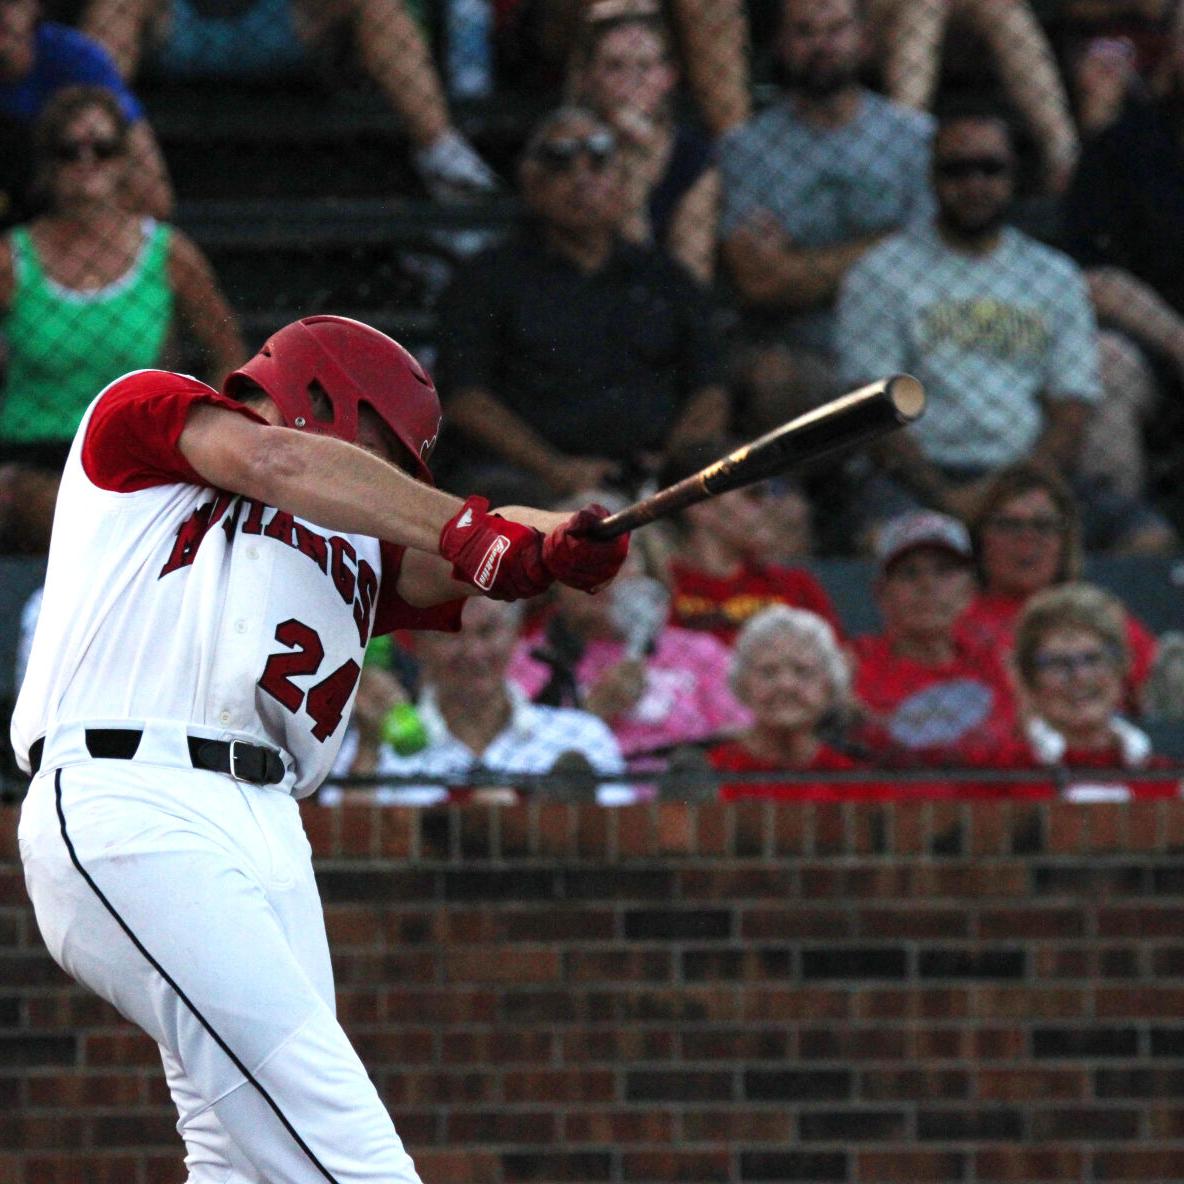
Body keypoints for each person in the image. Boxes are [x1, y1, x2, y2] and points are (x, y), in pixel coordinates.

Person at [13, 313, 629, 1183]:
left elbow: (466, 550)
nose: (389, 475)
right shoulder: (147, 411)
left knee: (241, 1161)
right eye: (386, 448)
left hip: (269, 824)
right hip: (136, 794)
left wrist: (555, 538)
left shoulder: (356, 539)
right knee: (346, 1148)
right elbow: (280, 464)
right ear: (325, 392)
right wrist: (470, 530)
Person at [837, 105, 1173, 552]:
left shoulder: (1053, 275)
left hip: (1030, 471)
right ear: (932, 177)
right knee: (883, 541)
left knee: (1148, 539)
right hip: (920, 476)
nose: (974, 184)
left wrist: (1017, 493)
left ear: (1014, 176)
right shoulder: (881, 272)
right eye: (956, 170)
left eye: (989, 169)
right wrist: (947, 500)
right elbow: (871, 413)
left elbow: (1071, 407)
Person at [433, 104, 729, 497]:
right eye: (559, 163)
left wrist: (674, 465)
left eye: (600, 162)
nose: (581, 178)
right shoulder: (486, 279)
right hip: (533, 479)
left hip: (656, 476)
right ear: (530, 182)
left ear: (623, 183)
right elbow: (465, 398)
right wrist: (555, 469)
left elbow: (710, 387)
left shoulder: (666, 277)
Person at [0, 84, 246, 554]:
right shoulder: (11, 259)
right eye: (69, 150)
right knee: (54, 504)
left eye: (104, 148)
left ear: (124, 162)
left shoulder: (169, 254)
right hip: (35, 456)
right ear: (48, 165)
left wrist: (204, 438)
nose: (87, 161)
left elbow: (229, 356)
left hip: (136, 452)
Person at [717, 0, 935, 435]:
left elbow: (931, 260)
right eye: (805, 32)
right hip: (800, 345)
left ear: (864, 39)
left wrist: (799, 265)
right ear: (780, 45)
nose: (822, 44)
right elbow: (761, 281)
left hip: (906, 338)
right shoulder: (747, 148)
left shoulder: (914, 137)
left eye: (836, 29)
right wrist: (889, 242)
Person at [79, 0, 498, 202]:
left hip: (280, 24)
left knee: (377, 2)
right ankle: (98, 142)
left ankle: (441, 152)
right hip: (182, 28)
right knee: (114, 5)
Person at [325, 595, 628, 806]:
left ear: (516, 636)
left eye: (488, 632)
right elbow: (344, 855)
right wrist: (368, 747)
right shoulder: (371, 749)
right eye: (452, 635)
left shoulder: (582, 736)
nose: (473, 652)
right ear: (418, 644)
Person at [509, 506, 749, 760]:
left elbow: (740, 737)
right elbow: (520, 760)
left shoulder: (701, 653)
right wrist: (594, 711)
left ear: (649, 572)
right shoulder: (526, 661)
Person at [956, 460, 1159, 713]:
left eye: (1042, 525)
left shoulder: (1104, 619)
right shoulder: (950, 623)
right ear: (979, 538)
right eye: (1009, 525)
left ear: (1065, 541)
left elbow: (1156, 708)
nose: (1027, 538)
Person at [567, 0, 719, 283]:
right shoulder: (570, 147)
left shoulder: (690, 156)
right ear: (590, 79)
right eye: (614, 67)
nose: (631, 80)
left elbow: (691, 278)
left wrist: (635, 173)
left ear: (667, 78)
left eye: (645, 67)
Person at [849, 509, 1016, 764]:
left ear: (970, 590)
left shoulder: (1004, 667)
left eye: (944, 571)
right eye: (909, 573)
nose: (927, 585)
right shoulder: (851, 667)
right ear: (882, 593)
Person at [866, 0, 1080, 193]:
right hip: (883, 20)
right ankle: (901, 148)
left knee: (1001, 5)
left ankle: (1063, 154)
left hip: (965, 29)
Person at [992, 582, 1181, 799]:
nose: (1079, 677)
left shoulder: (1166, 779)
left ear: (1122, 666)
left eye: (1092, 659)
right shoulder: (996, 776)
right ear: (1028, 678)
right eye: (1058, 663)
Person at [0, 0, 172, 228]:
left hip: (53, 222)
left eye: (10, 2)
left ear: (34, 6)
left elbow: (154, 198)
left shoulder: (76, 58)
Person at [657, 439, 841, 645]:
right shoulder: (660, 592)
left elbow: (838, 665)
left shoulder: (797, 587)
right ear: (700, 507)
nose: (770, 504)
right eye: (753, 493)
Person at [707, 605, 886, 801]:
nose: (786, 685)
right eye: (768, 672)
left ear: (829, 686)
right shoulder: (708, 770)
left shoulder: (855, 777)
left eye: (803, 671)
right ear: (742, 685)